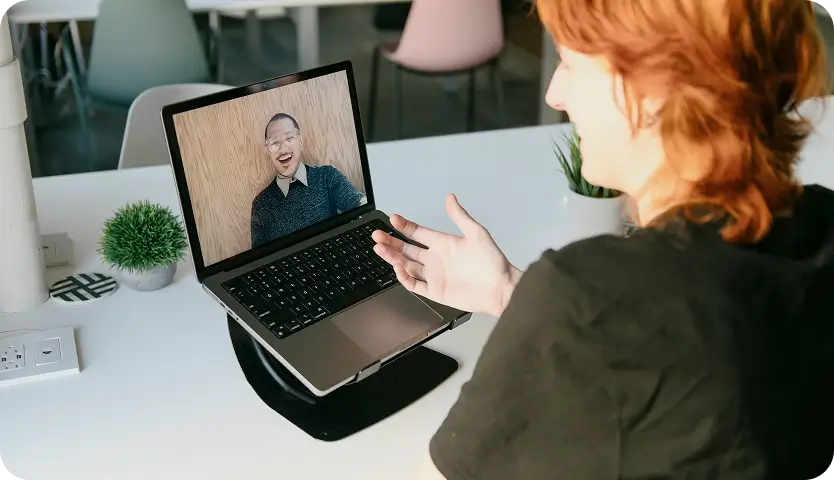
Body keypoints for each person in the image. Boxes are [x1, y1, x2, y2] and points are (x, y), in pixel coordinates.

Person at [372, 0, 834, 478]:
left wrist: (553, 310)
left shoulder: (587, 300)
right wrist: (510, 292)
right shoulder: (822, 222)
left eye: (570, 63)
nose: (554, 94)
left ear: (653, 87)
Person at [250, 113, 367, 248]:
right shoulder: (260, 205)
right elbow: (259, 259)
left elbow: (358, 203)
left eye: (289, 138)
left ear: (301, 142)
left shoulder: (326, 176)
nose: (283, 149)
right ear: (268, 151)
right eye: (275, 143)